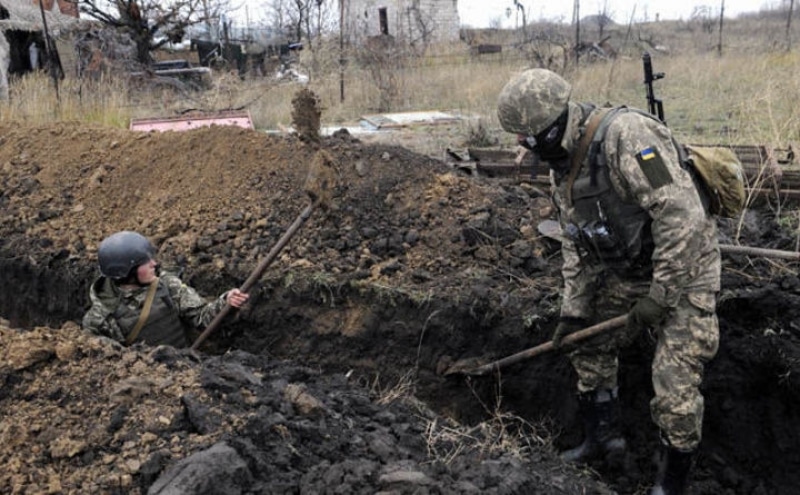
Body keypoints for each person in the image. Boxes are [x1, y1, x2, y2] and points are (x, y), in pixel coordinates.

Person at [497, 69, 720, 495]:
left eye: (524, 138)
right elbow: (575, 244)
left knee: (674, 385)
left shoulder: (629, 137)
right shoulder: (562, 168)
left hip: (687, 268)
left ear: (548, 129)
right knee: (587, 342)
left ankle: (671, 483)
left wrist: (662, 295)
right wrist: (573, 310)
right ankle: (603, 439)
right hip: (633, 268)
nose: (521, 147)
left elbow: (682, 216)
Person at [82, 231, 249, 348]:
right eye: (145, 263)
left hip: (188, 368)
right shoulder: (100, 319)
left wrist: (225, 302)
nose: (154, 264)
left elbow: (201, 317)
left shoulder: (166, 284)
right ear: (127, 273)